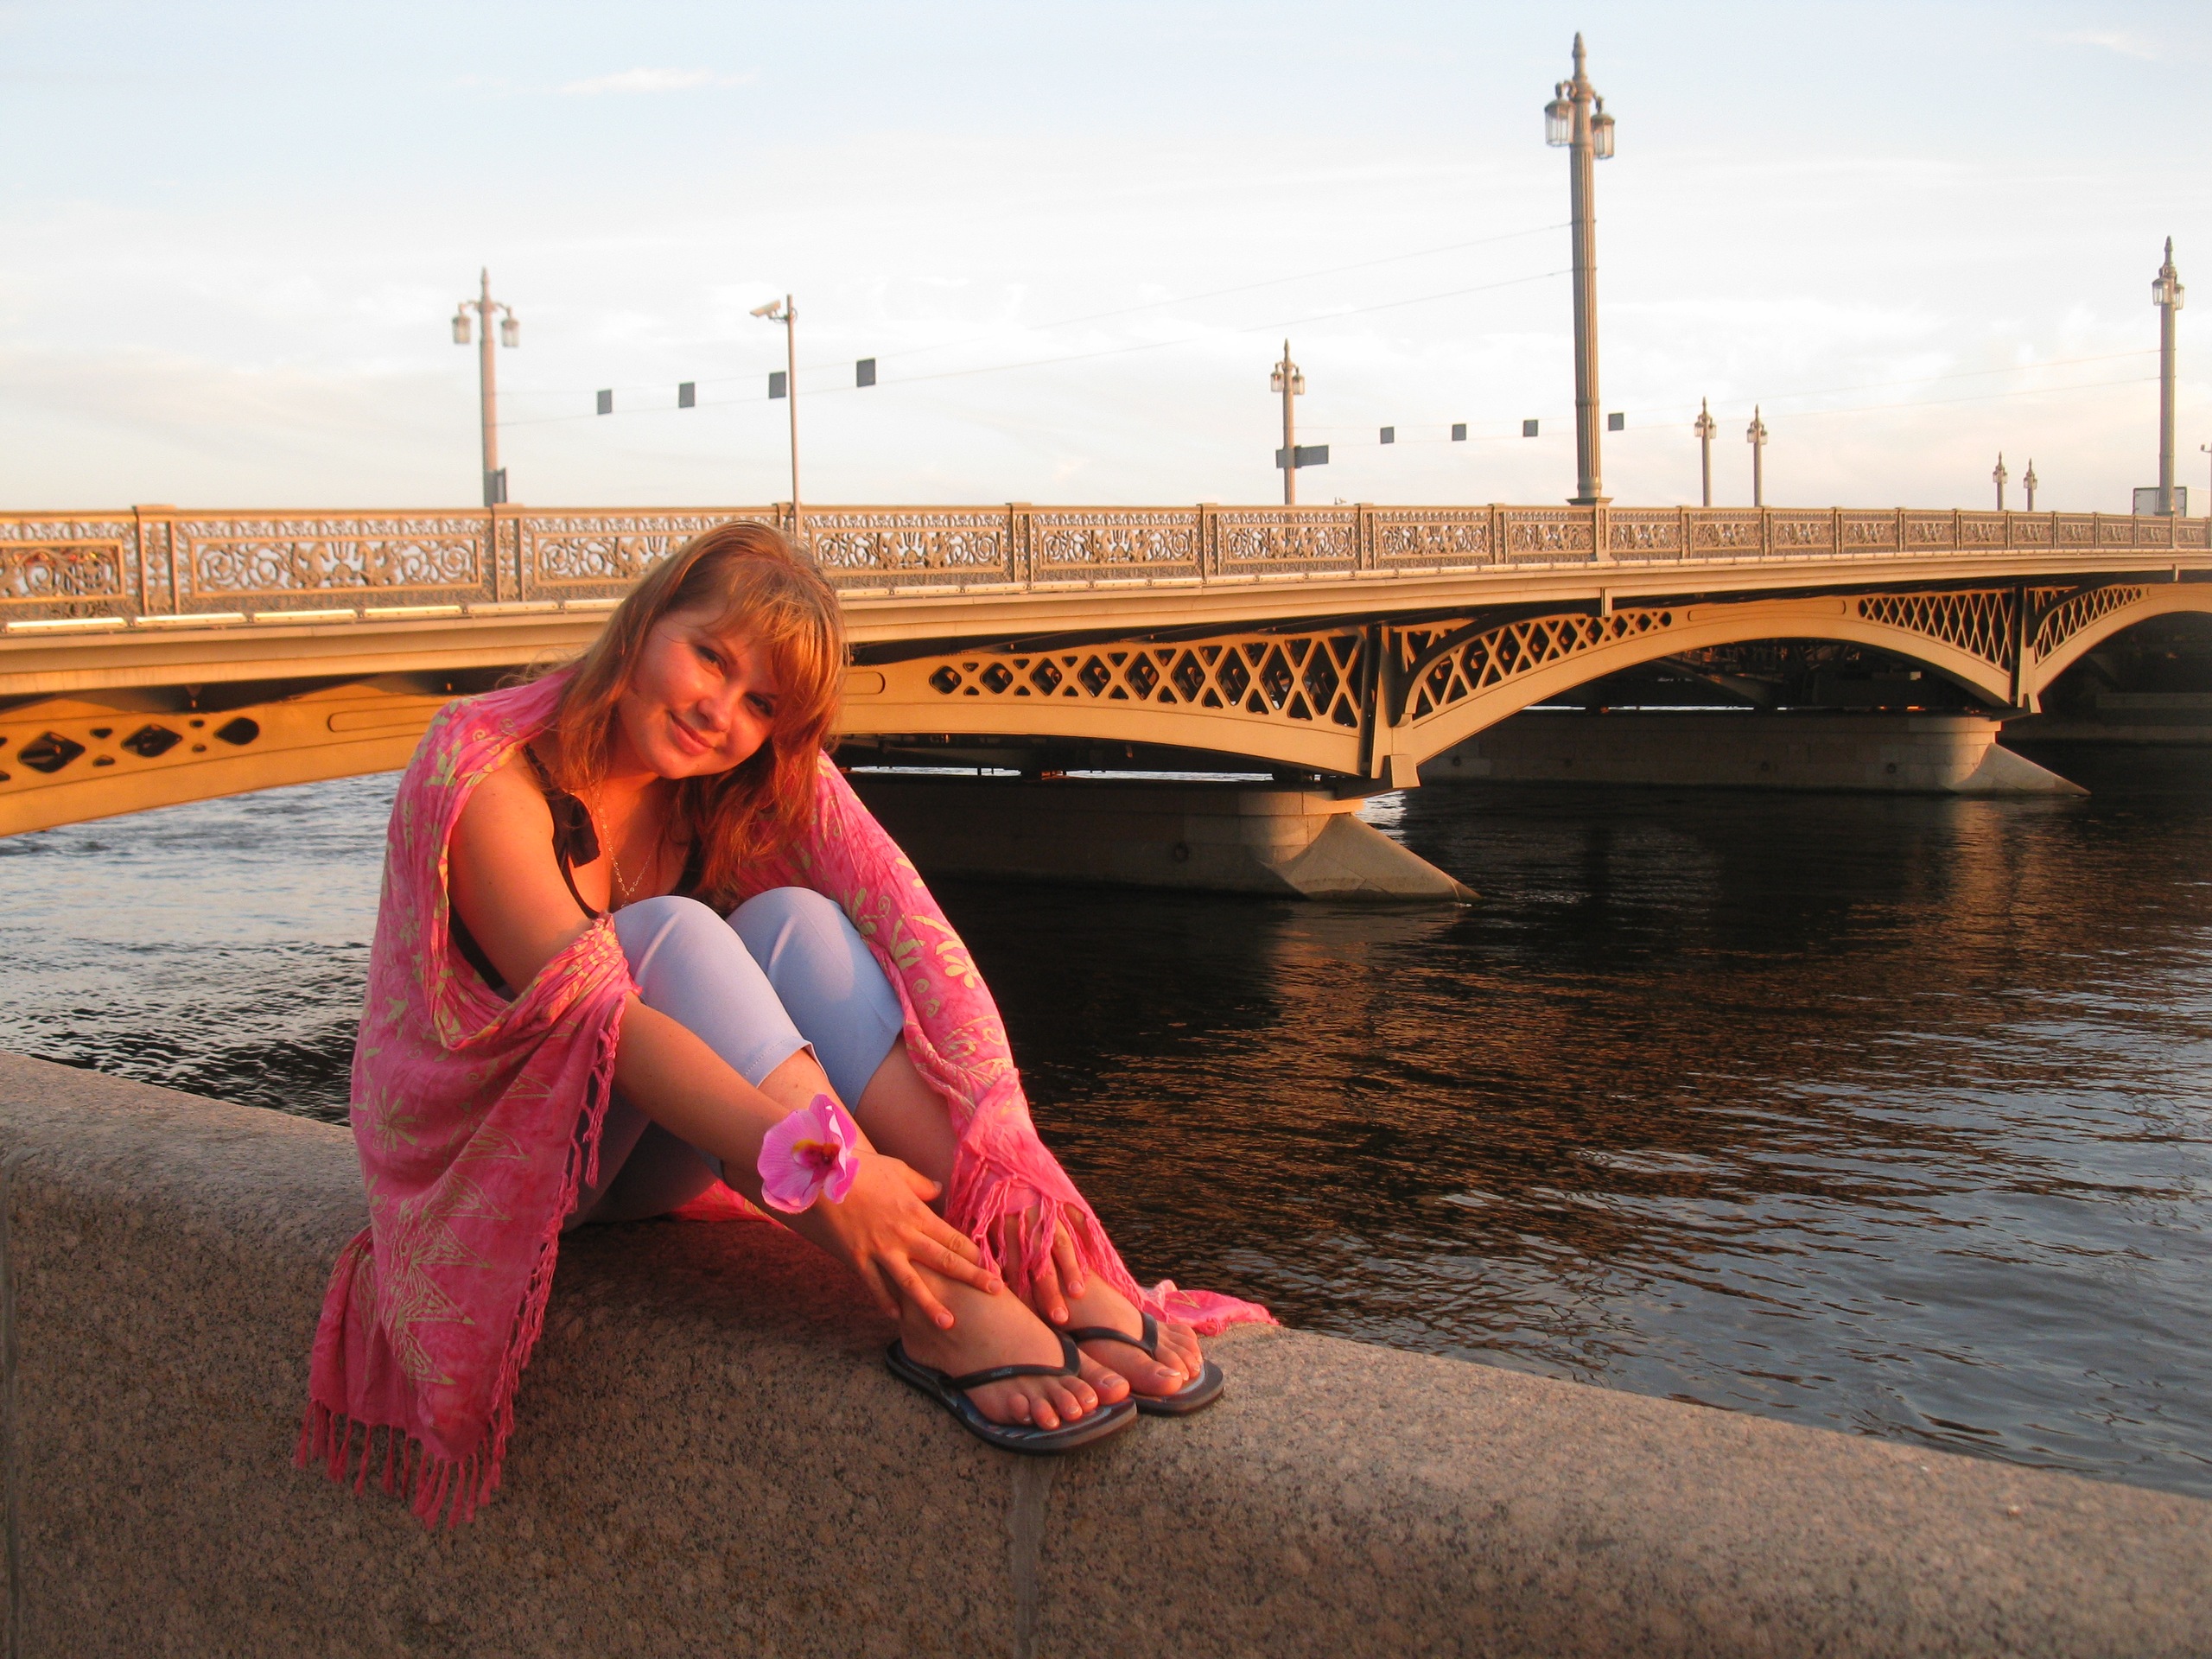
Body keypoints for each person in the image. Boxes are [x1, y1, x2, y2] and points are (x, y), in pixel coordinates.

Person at [299, 522, 1268, 1525]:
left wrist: (1018, 1188)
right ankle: (939, 1304)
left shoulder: (738, 780)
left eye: (761, 703)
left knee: (794, 919)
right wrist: (842, 1179)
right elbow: (602, 1024)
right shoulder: (481, 764)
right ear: (644, 621)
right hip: (503, 1164)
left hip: (650, 1148)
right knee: (669, 933)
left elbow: (910, 929)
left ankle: (1024, 1261)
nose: (718, 711)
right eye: (709, 656)